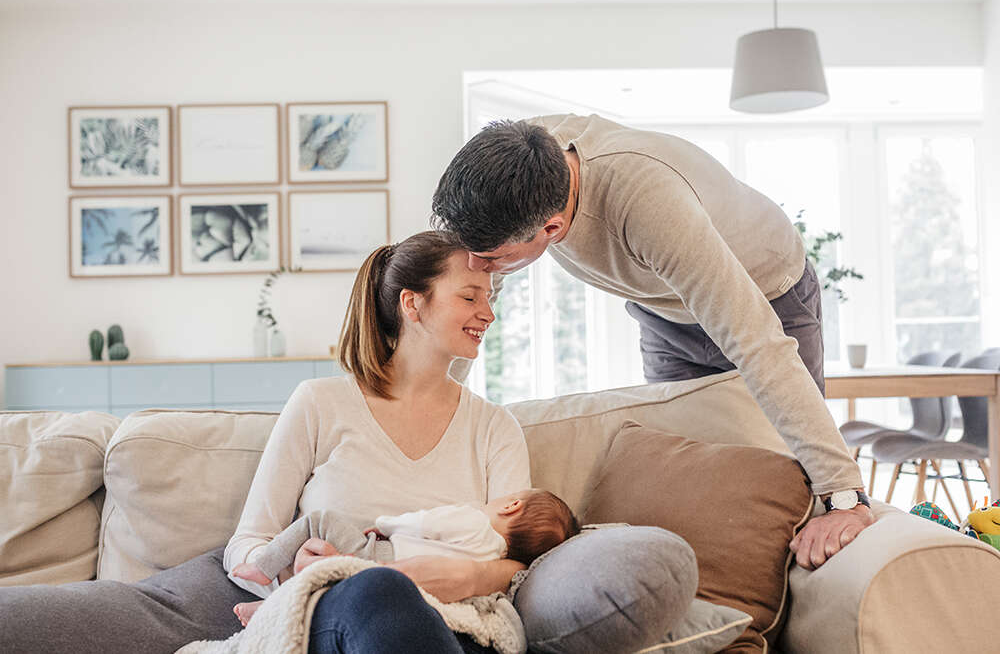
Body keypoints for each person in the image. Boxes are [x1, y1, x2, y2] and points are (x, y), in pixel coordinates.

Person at [0, 230, 529, 654]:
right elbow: (249, 544)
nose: (489, 312)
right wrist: (300, 571)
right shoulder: (320, 403)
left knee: (388, 595)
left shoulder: (494, 428)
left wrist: (467, 574)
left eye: (490, 297)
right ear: (412, 305)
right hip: (325, 607)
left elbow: (526, 558)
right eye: (470, 296)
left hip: (452, 623)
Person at [432, 114, 874, 570]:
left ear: (551, 229)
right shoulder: (513, 161)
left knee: (784, 471)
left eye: (490, 259)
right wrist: (431, 406)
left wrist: (844, 494)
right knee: (682, 466)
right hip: (665, 310)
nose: (475, 265)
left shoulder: (647, 202)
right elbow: (468, 303)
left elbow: (756, 341)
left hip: (767, 296)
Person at [230, 489, 579, 626]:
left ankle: (262, 569)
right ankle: (269, 609)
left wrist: (383, 525)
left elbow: (424, 522)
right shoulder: (493, 556)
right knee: (328, 587)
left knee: (318, 520)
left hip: (382, 553)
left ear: (511, 504)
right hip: (404, 588)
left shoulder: (474, 520)